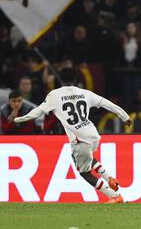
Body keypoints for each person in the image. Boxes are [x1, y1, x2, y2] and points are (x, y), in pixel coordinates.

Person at [12, 68, 133, 203]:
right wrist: (125, 117)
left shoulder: (54, 95)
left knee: (85, 173)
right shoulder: (85, 93)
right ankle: (109, 178)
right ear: (75, 80)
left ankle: (114, 196)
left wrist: (18, 119)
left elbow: (37, 112)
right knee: (85, 158)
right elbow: (107, 103)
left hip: (79, 139)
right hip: (93, 134)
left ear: (61, 80)